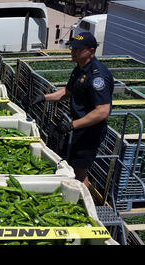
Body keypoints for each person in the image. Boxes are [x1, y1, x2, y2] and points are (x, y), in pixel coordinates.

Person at [32, 32, 114, 186]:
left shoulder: (97, 76)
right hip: (77, 127)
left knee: (79, 172)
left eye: (78, 49)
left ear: (91, 50)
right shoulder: (79, 69)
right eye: (73, 48)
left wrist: (72, 125)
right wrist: (44, 97)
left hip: (89, 131)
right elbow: (67, 92)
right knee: (71, 166)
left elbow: (103, 110)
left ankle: (83, 203)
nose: (73, 52)